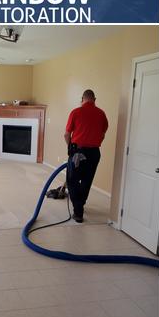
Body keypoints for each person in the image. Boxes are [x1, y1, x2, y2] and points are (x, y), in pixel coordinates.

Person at [64, 89, 108, 222]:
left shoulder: (76, 112)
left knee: (72, 180)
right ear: (94, 99)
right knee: (86, 181)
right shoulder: (101, 114)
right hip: (94, 153)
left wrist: (70, 147)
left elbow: (66, 134)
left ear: (82, 99)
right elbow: (103, 133)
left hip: (78, 152)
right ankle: (80, 205)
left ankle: (78, 212)